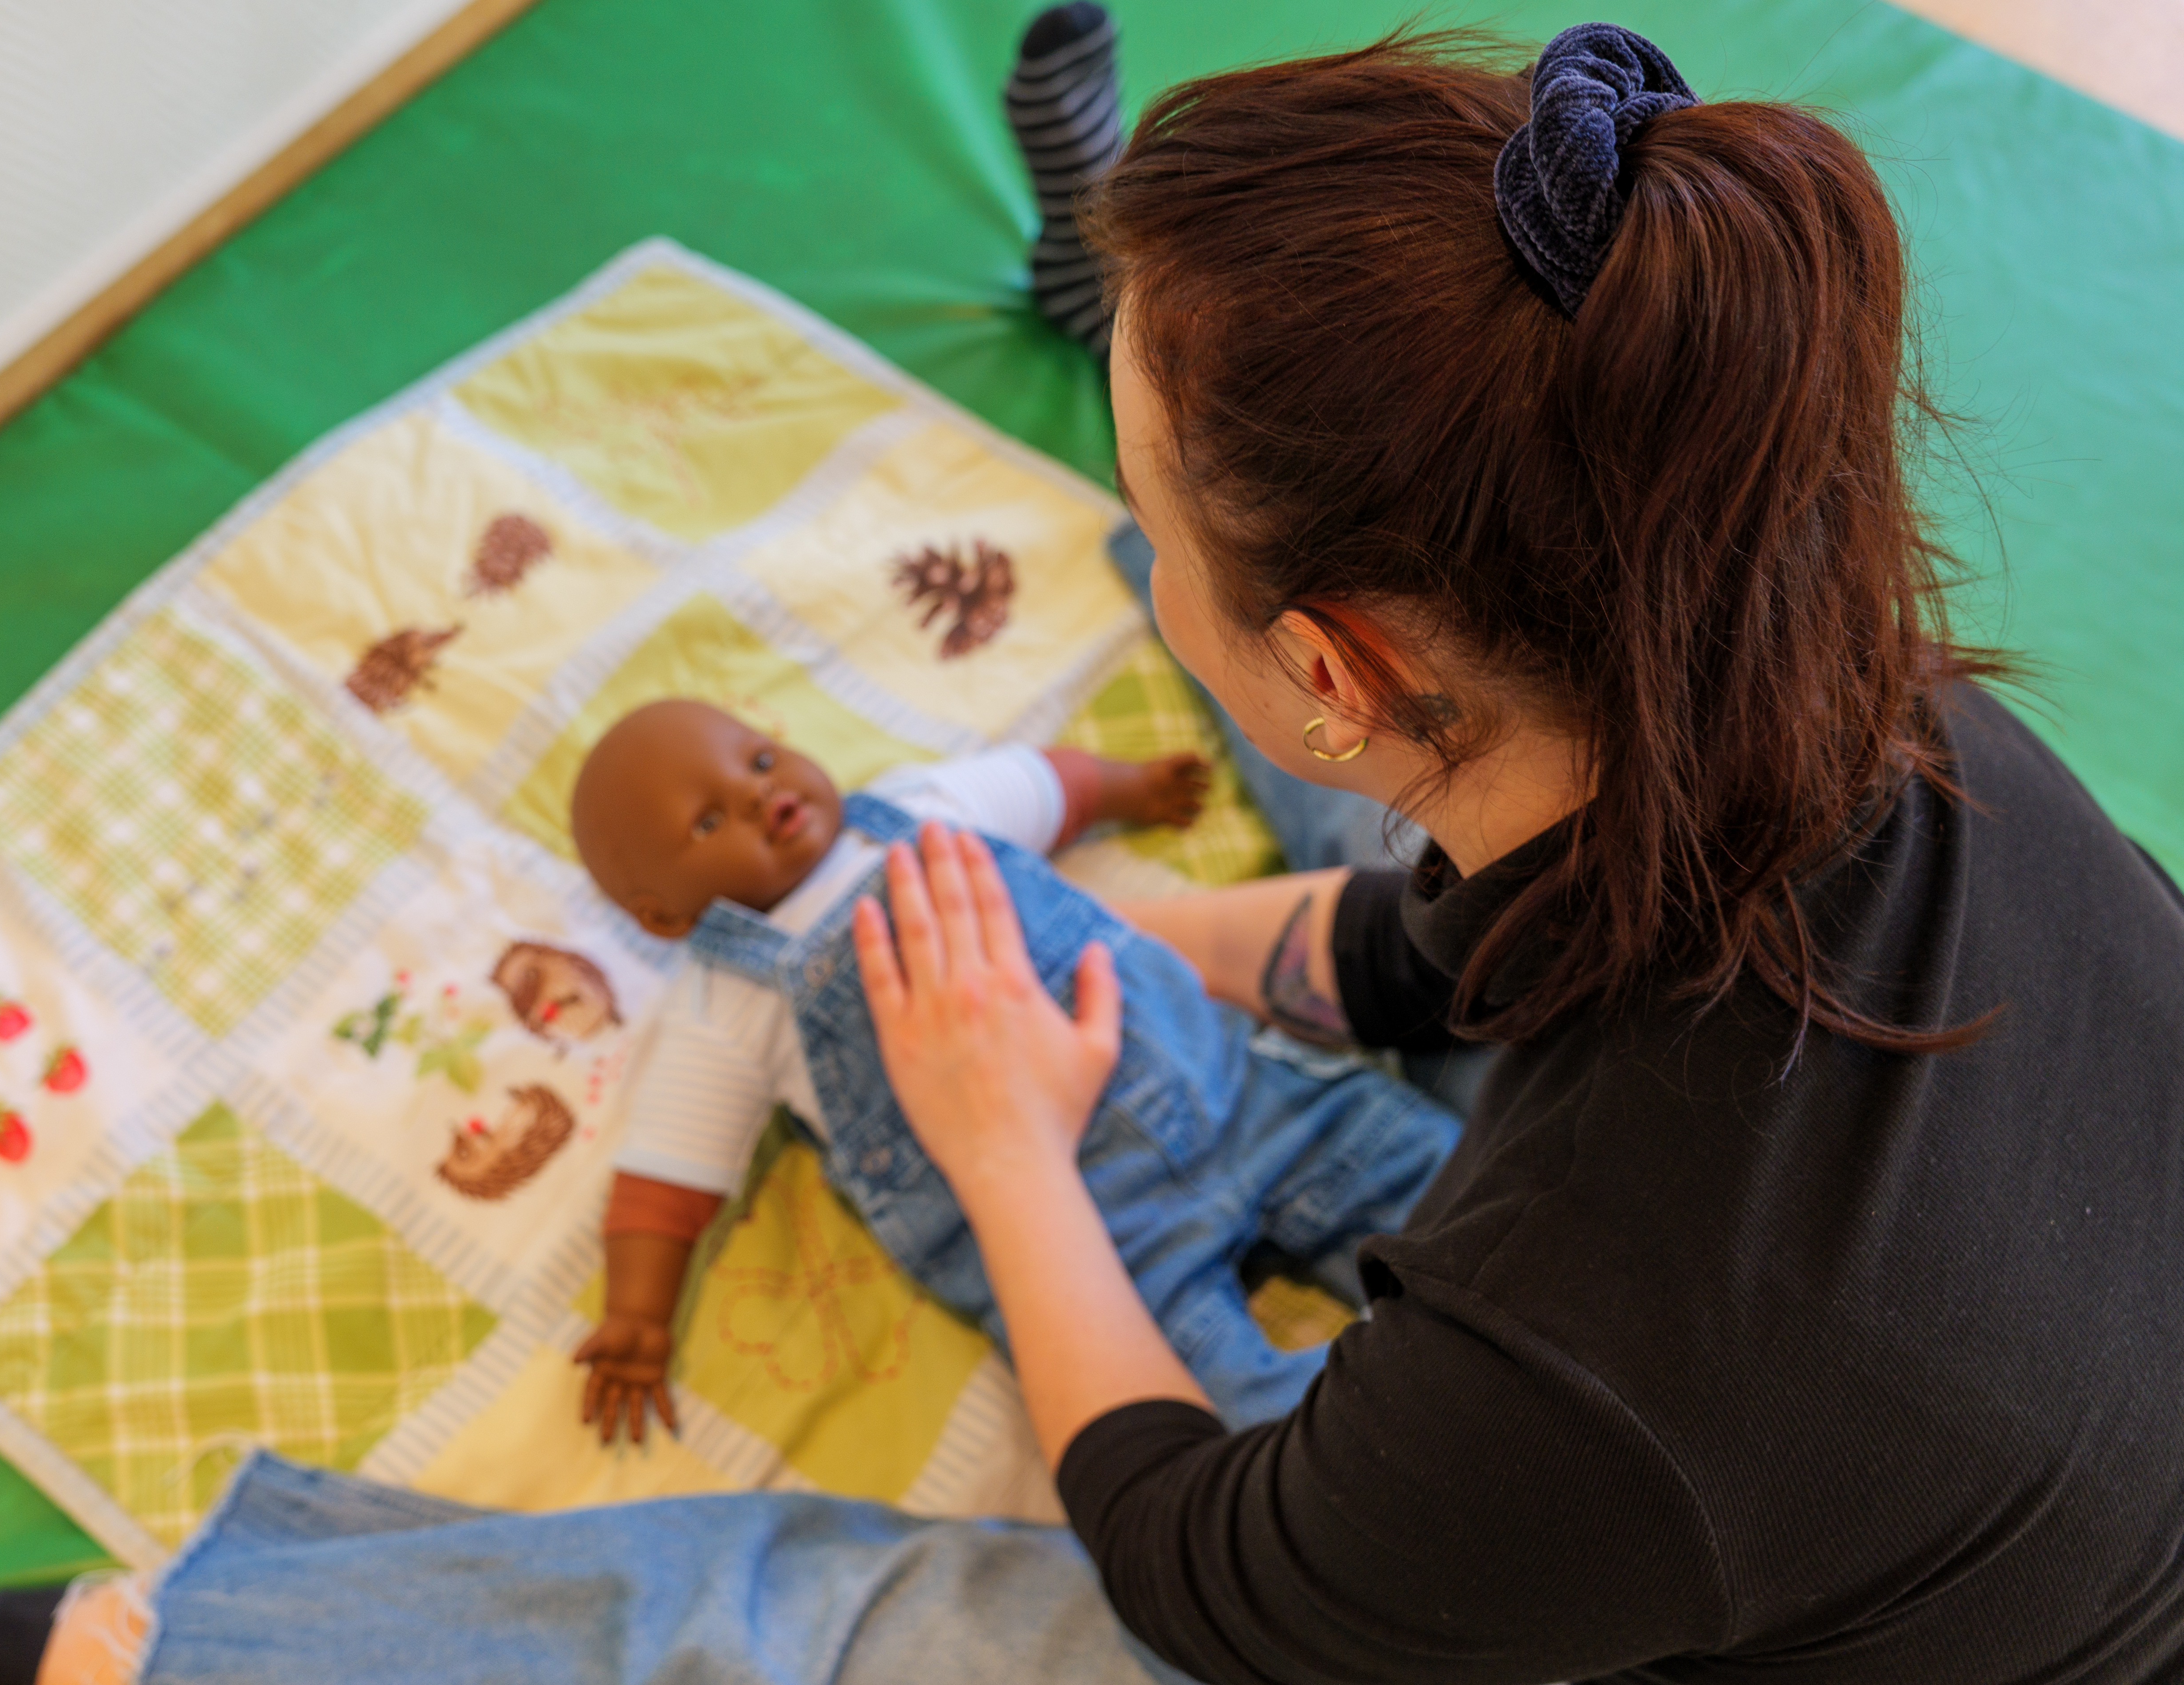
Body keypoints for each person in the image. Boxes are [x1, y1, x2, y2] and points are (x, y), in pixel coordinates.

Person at [851, 12, 2184, 1683]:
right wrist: (1146, 937)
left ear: (1332, 672)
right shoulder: (1840, 666)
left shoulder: (1590, 1360)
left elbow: (1203, 1574)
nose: (1151, 553)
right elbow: (1470, 929)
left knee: (856, 1607)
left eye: (1146, 510)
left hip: (1846, 1500)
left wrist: (1008, 1154)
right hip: (1999, 1413)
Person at [564, 698, 1456, 1442]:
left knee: (1455, 1198)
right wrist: (637, 1316)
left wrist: (1127, 788)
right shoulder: (721, 1008)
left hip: (1240, 1094)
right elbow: (663, 1182)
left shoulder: (922, 809)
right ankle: (1404, 1450)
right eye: (708, 821)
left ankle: (1495, 1358)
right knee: (1229, 1428)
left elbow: (1046, 785)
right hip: (1097, 1249)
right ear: (662, 918)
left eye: (759, 761)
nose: (759, 795)